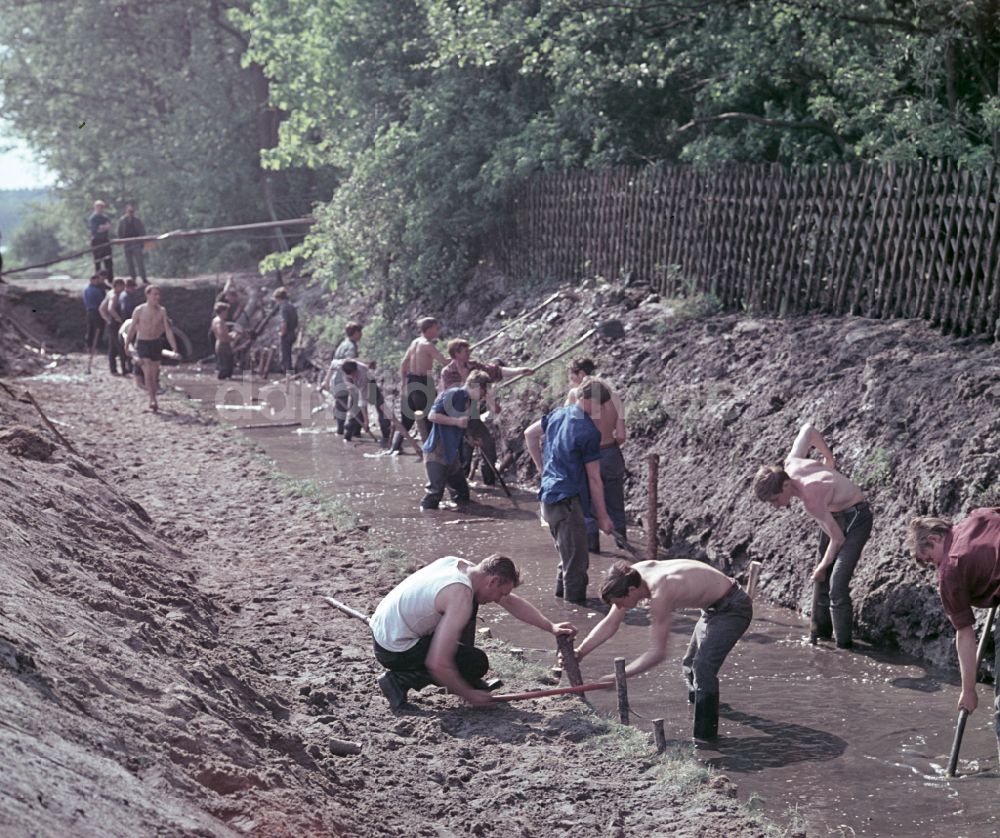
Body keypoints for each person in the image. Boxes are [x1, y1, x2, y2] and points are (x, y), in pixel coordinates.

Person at [573, 560, 752, 740]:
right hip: (712, 608)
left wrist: (621, 675)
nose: (619, 608)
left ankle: (705, 740)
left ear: (632, 591)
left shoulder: (661, 592)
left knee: (702, 668)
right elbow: (611, 623)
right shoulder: (630, 576)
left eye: (619, 603)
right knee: (690, 665)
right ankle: (705, 708)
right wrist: (580, 651)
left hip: (733, 608)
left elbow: (658, 653)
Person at [369, 554, 577, 710]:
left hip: (386, 629)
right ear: (494, 580)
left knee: (470, 610)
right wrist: (468, 694)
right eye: (500, 592)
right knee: (475, 663)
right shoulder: (459, 594)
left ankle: (462, 677)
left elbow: (511, 602)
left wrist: (551, 627)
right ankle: (398, 681)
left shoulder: (461, 566)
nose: (498, 599)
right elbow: (437, 662)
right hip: (393, 648)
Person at [752, 422, 873, 649]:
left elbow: (838, 539)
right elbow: (807, 429)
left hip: (857, 517)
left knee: (836, 582)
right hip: (834, 514)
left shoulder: (811, 500)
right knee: (822, 580)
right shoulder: (791, 463)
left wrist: (822, 566)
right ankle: (820, 637)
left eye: (775, 500)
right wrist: (829, 459)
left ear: (786, 486)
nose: (776, 506)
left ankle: (843, 647)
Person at [907, 510, 1000, 763]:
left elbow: (965, 633)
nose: (933, 566)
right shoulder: (978, 516)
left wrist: (968, 690)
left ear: (936, 538)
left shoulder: (950, 569)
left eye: (929, 559)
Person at [524, 378, 614, 604]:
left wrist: (541, 468)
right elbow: (594, 478)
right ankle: (574, 614)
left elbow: (529, 434)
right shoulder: (588, 431)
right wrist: (603, 517)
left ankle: (560, 604)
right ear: (592, 401)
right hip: (567, 500)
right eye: (601, 405)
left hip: (548, 496)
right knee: (577, 564)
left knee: (567, 556)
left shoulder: (558, 414)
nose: (601, 410)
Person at [439, 339, 532, 486]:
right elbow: (451, 402)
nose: (469, 353)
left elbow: (496, 371)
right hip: (455, 419)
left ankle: (489, 481)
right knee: (464, 454)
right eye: (465, 351)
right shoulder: (448, 373)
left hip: (473, 416)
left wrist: (520, 371)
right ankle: (461, 486)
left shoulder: (474, 366)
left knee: (488, 444)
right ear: (456, 354)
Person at [565, 357, 627, 554]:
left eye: (572, 378)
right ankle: (623, 547)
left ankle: (593, 549)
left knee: (587, 503)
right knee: (616, 503)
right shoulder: (614, 395)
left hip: (589, 456)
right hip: (612, 453)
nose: (571, 383)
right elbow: (622, 435)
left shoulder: (577, 395)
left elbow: (572, 430)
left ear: (581, 376)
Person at [420, 370, 491, 510]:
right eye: (484, 390)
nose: (484, 395)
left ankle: (459, 515)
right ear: (475, 386)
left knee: (462, 493)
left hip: (451, 454)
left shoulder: (469, 402)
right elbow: (432, 416)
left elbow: (462, 427)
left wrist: (470, 439)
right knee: (434, 493)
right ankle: (427, 521)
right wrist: (456, 422)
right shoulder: (454, 393)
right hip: (436, 452)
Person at [389, 316, 448, 453]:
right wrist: (459, 359)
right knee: (430, 417)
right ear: (429, 329)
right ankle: (432, 452)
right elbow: (444, 362)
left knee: (407, 420)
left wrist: (404, 382)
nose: (438, 330)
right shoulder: (428, 345)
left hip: (410, 382)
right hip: (423, 384)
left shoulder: (415, 342)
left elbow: (403, 363)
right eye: (436, 327)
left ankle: (394, 448)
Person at [124, 285, 178, 412]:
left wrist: (174, 347)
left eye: (158, 295)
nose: (157, 297)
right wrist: (126, 345)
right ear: (147, 295)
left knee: (154, 375)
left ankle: (153, 397)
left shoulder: (162, 311)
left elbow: (168, 330)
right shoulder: (139, 310)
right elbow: (132, 329)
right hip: (143, 343)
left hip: (156, 343)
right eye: (154, 294)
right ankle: (152, 399)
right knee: (147, 373)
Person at [99, 277, 127, 375]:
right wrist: (118, 319)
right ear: (117, 286)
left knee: (112, 347)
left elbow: (101, 309)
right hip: (115, 324)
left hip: (111, 323)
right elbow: (110, 308)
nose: (124, 288)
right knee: (120, 345)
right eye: (122, 286)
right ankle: (124, 369)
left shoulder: (109, 293)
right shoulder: (115, 295)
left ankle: (113, 369)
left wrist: (107, 320)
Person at [117, 202, 148, 284]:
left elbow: (142, 231)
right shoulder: (122, 220)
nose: (131, 213)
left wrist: (142, 242)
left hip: (136, 243)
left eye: (132, 211)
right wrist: (120, 241)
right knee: (129, 262)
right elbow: (120, 231)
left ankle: (143, 278)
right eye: (129, 211)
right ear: (126, 211)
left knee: (139, 261)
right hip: (126, 243)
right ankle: (133, 278)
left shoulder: (137, 220)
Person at [83, 272, 107, 373]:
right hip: (96, 311)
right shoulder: (96, 290)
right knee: (99, 329)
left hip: (89, 311)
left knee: (90, 329)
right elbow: (101, 301)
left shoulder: (86, 289)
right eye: (97, 280)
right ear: (93, 280)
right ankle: (97, 347)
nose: (98, 282)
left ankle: (88, 347)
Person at [273, 287, 298, 374]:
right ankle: (289, 372)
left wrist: (282, 333)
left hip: (287, 334)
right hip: (293, 332)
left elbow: (284, 322)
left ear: (279, 298)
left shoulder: (284, 308)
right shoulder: (291, 306)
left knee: (286, 355)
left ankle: (288, 373)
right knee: (288, 353)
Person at [88, 200, 114, 279]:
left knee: (108, 261)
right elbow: (95, 230)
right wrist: (103, 227)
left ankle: (110, 279)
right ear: (95, 208)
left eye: (101, 207)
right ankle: (98, 279)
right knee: (97, 262)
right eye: (98, 207)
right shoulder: (93, 218)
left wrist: (102, 228)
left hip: (105, 240)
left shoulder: (105, 217)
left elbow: (109, 227)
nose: (100, 209)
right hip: (96, 241)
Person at [211, 301, 237, 380]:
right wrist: (232, 336)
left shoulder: (215, 320)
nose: (227, 313)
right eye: (226, 311)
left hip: (220, 344)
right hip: (223, 345)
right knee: (226, 368)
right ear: (222, 311)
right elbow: (222, 334)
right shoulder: (220, 322)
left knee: (224, 365)